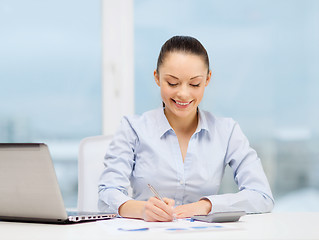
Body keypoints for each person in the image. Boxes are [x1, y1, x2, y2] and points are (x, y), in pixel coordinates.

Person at [98, 36, 274, 222]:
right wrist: (142, 209)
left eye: (194, 84)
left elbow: (261, 196)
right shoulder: (133, 128)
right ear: (157, 77)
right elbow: (107, 194)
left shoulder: (227, 131)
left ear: (207, 79)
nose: (183, 93)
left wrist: (206, 206)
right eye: (172, 83)